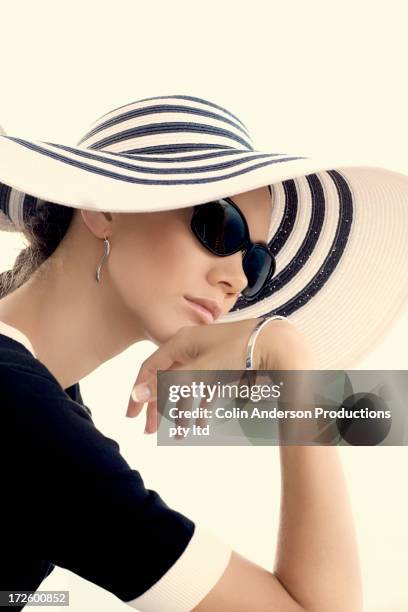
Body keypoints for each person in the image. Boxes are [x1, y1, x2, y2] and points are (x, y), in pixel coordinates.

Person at [3, 91, 407, 611]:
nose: (237, 279)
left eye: (257, 262)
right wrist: (288, 357)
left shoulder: (42, 395)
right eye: (221, 227)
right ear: (104, 208)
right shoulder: (22, 409)